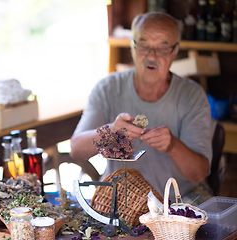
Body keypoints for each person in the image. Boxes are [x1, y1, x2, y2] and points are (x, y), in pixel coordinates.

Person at [69, 12, 213, 204]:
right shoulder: (108, 88)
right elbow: (76, 149)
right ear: (132, 46)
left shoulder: (191, 95)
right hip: (121, 201)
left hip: (176, 201)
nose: (151, 56)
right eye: (144, 45)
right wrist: (111, 132)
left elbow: (199, 174)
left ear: (175, 50)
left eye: (162, 47)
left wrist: (172, 146)